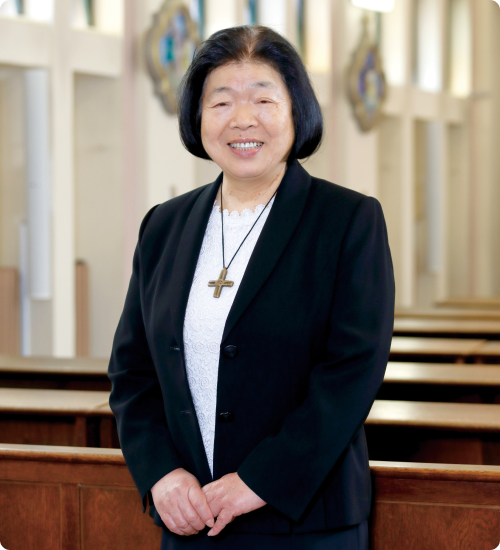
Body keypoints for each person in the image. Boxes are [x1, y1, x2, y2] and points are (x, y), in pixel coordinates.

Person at [108, 25, 395, 550]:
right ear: (197, 117)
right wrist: (161, 473)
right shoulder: (164, 225)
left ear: (297, 111)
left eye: (264, 99)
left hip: (304, 521)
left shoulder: (347, 220)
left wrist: (259, 480)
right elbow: (133, 372)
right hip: (191, 516)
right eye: (221, 102)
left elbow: (353, 372)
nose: (242, 119)